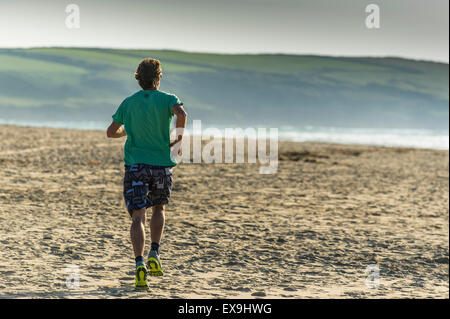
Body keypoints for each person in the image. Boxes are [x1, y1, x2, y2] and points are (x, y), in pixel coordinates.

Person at [106, 58, 187, 289]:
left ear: (138, 79)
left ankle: (139, 263)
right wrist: (179, 139)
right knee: (159, 208)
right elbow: (181, 114)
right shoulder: (169, 99)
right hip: (161, 164)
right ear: (158, 78)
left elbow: (111, 132)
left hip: (135, 165)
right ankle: (154, 252)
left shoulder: (128, 103)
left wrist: (125, 132)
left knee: (138, 216)